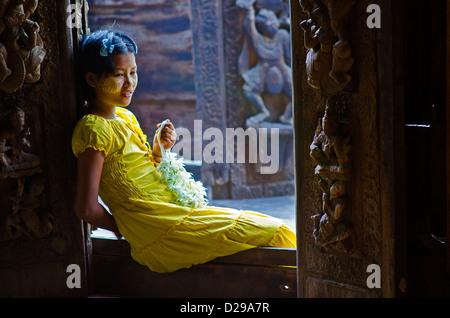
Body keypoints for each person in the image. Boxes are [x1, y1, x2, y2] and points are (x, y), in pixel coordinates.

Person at [72, 29, 296, 273]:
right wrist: (124, 228)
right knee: (276, 232)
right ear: (92, 79)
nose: (129, 83)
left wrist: (159, 150)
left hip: (174, 214)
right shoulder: (93, 128)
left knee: (272, 230)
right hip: (161, 231)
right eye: (118, 75)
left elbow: (138, 177)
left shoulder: (125, 117)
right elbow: (86, 207)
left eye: (133, 72)